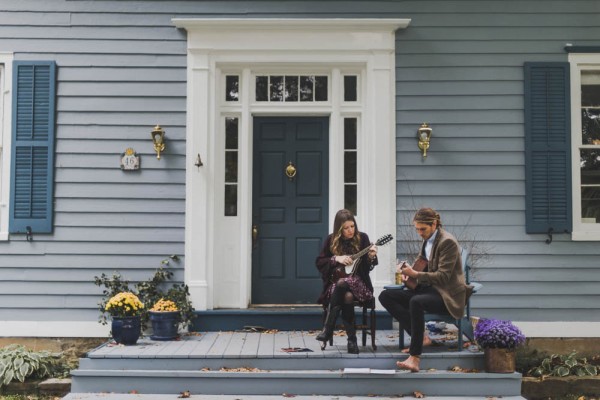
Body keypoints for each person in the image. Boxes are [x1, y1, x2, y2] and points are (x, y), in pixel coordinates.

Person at [378, 207, 468, 372]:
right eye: (417, 229)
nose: (419, 232)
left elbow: (443, 277)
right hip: (429, 289)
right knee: (386, 296)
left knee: (416, 301)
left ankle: (415, 357)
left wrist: (415, 274)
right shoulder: (428, 239)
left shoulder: (447, 242)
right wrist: (408, 273)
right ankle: (422, 338)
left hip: (446, 294)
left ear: (434, 224)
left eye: (423, 229)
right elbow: (422, 260)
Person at [315, 209, 378, 354]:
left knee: (344, 283)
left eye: (352, 226)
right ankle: (352, 340)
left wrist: (371, 257)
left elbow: (368, 269)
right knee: (346, 294)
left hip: (360, 286)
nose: (350, 230)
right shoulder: (331, 240)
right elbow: (319, 262)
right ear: (339, 229)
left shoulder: (363, 239)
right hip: (336, 287)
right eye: (346, 228)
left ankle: (328, 329)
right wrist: (336, 258)